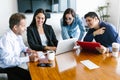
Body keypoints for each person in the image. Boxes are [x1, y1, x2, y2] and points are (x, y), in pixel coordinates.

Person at [0, 13, 39, 80]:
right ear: (15, 27)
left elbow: (22, 47)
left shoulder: (18, 35)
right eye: (23, 26)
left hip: (14, 65)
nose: (25, 28)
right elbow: (8, 61)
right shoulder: (6, 39)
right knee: (31, 77)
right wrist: (28, 58)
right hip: (6, 68)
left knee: (33, 76)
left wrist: (27, 50)